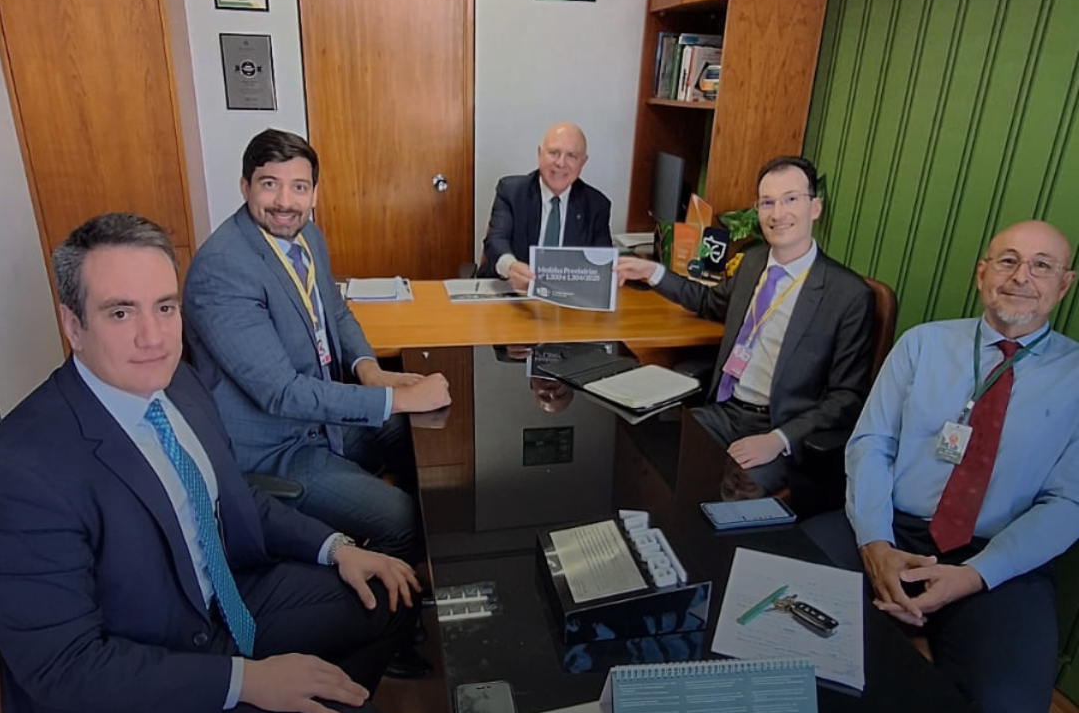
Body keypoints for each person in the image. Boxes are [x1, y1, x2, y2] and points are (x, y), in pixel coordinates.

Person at [0, 213, 422, 713]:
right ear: (73, 325)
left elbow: (235, 502)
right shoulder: (25, 466)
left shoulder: (179, 384)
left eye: (165, 307)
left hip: (217, 605)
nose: (153, 336)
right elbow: (65, 668)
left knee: (388, 596)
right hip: (131, 701)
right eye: (120, 312)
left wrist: (339, 549)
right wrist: (246, 681)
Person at [805, 220, 1078, 713]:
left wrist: (974, 575)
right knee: (778, 590)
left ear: (1064, 285)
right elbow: (871, 444)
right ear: (982, 274)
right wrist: (876, 544)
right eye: (1007, 260)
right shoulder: (923, 344)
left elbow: (1069, 502)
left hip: (996, 555)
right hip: (893, 527)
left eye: (1041, 266)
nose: (1021, 277)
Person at [182, 130, 450, 565]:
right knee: (403, 517)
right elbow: (282, 393)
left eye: (299, 187)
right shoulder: (223, 269)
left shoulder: (306, 236)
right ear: (245, 187)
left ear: (314, 193)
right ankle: (370, 595)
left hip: (319, 423)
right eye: (270, 184)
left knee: (415, 429)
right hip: (275, 449)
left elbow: (336, 312)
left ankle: (422, 564)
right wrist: (398, 397)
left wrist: (370, 370)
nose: (285, 201)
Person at [618, 155, 875, 491]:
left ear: (815, 208)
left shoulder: (848, 295)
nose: (777, 213)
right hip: (724, 412)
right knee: (645, 450)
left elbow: (847, 397)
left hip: (778, 425)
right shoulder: (752, 262)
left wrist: (780, 439)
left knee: (732, 495)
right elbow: (709, 302)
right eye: (767, 202)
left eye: (791, 199)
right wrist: (653, 272)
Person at [482, 123, 612, 290]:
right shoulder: (511, 192)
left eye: (572, 156)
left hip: (567, 296)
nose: (560, 163)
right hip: (511, 291)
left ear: (583, 162)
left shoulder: (597, 205)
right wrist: (510, 267)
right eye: (553, 153)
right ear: (539, 154)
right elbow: (496, 240)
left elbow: (601, 262)